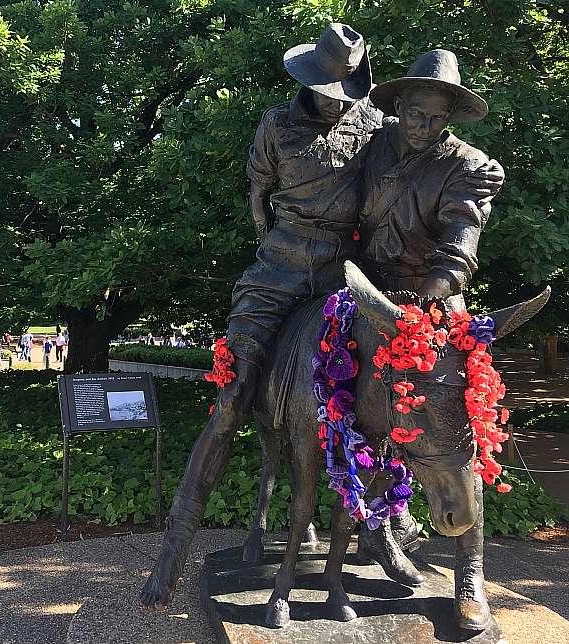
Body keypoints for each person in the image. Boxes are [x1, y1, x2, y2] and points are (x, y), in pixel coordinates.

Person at [141, 23, 382, 609]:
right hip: (279, 269)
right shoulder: (275, 124)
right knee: (232, 396)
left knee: (390, 383)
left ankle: (387, 528)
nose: (335, 101)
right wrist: (284, 247)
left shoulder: (378, 127)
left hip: (345, 275)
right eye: (326, 90)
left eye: (343, 90)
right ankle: (174, 547)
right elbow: (258, 199)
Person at [356, 49, 504, 629]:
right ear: (398, 106)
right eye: (417, 113)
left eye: (438, 118)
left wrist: (432, 301)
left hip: (433, 296)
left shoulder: (468, 165)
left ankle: (471, 573)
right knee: (350, 405)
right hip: (369, 291)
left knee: (456, 418)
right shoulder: (371, 143)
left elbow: (462, 236)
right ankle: (377, 522)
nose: (425, 126)